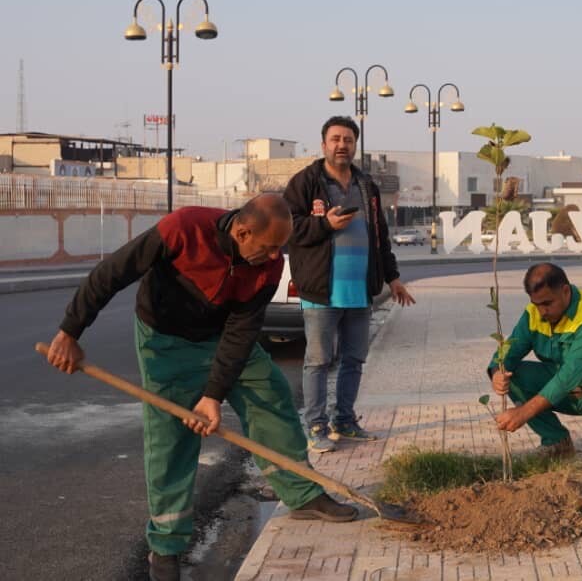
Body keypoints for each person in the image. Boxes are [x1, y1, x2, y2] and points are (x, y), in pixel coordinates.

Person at [45, 195, 358, 581]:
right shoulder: (183, 228)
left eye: (280, 247)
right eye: (270, 246)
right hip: (165, 339)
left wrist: (212, 395)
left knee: (270, 393)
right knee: (171, 437)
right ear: (242, 231)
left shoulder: (268, 264)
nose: (277, 256)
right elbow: (112, 273)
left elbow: (242, 331)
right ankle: (166, 547)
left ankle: (302, 492)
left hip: (220, 333)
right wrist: (70, 331)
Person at [283, 116, 415, 454]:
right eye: (336, 139)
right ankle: (315, 426)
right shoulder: (306, 182)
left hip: (360, 290)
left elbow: (380, 236)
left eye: (348, 140)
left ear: (355, 145)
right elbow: (287, 229)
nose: (342, 145)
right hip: (320, 290)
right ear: (324, 143)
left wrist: (393, 277)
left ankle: (344, 421)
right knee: (318, 361)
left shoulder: (366, 185)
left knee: (354, 359)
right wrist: (324, 225)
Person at [489, 263, 582, 467]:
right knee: (514, 376)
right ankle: (557, 442)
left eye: (548, 303)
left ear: (565, 291)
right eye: (537, 304)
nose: (542, 311)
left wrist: (523, 412)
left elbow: (571, 374)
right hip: (564, 387)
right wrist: (498, 372)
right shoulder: (535, 312)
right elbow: (510, 349)